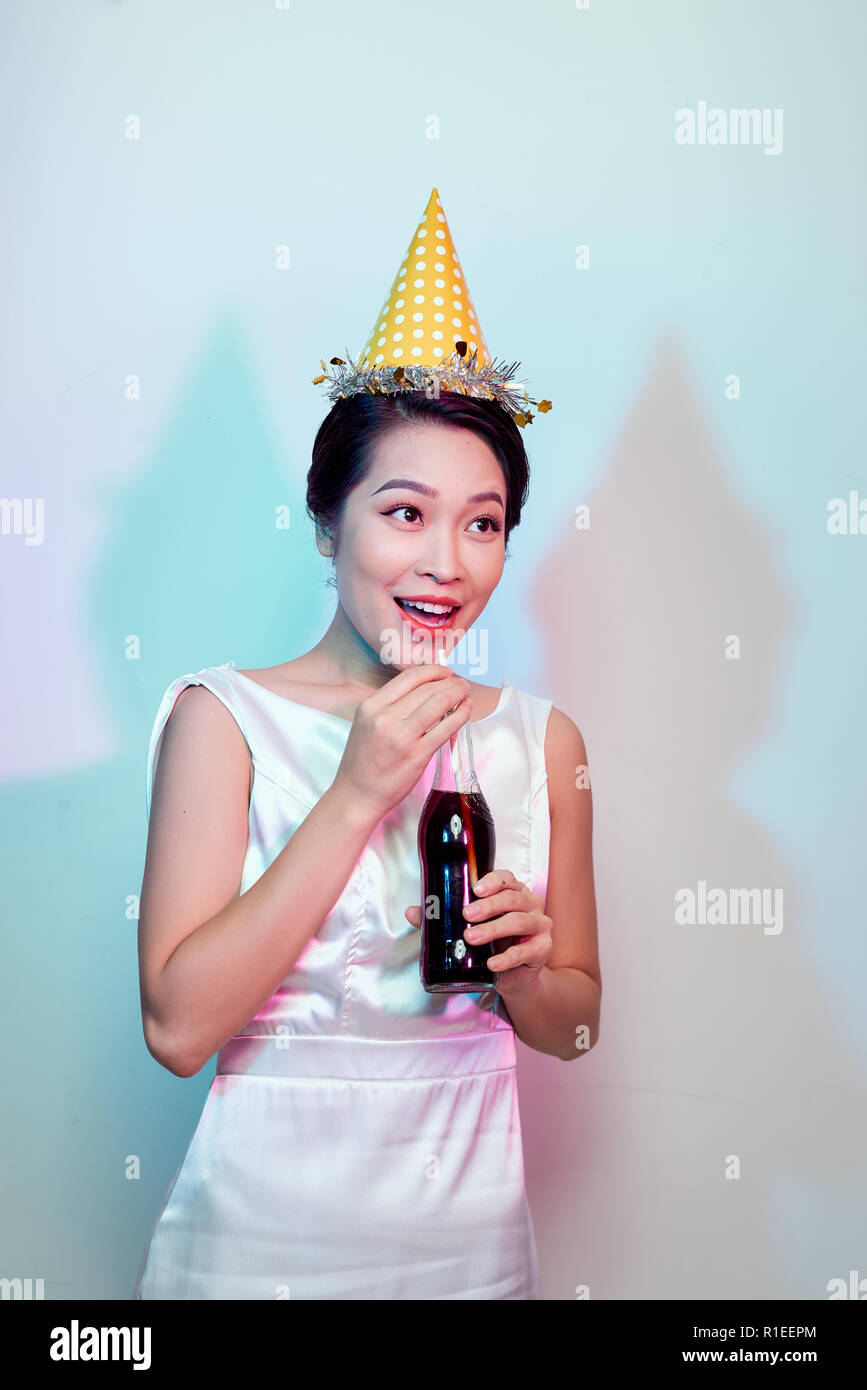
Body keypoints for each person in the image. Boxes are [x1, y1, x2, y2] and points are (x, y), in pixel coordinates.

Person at [131, 190, 601, 1300]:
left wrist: (529, 969)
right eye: (404, 512)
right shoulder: (223, 718)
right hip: (255, 1249)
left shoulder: (543, 742)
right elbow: (177, 1025)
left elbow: (576, 1032)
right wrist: (355, 795)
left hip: (467, 1252)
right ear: (326, 518)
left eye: (483, 522)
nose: (447, 559)